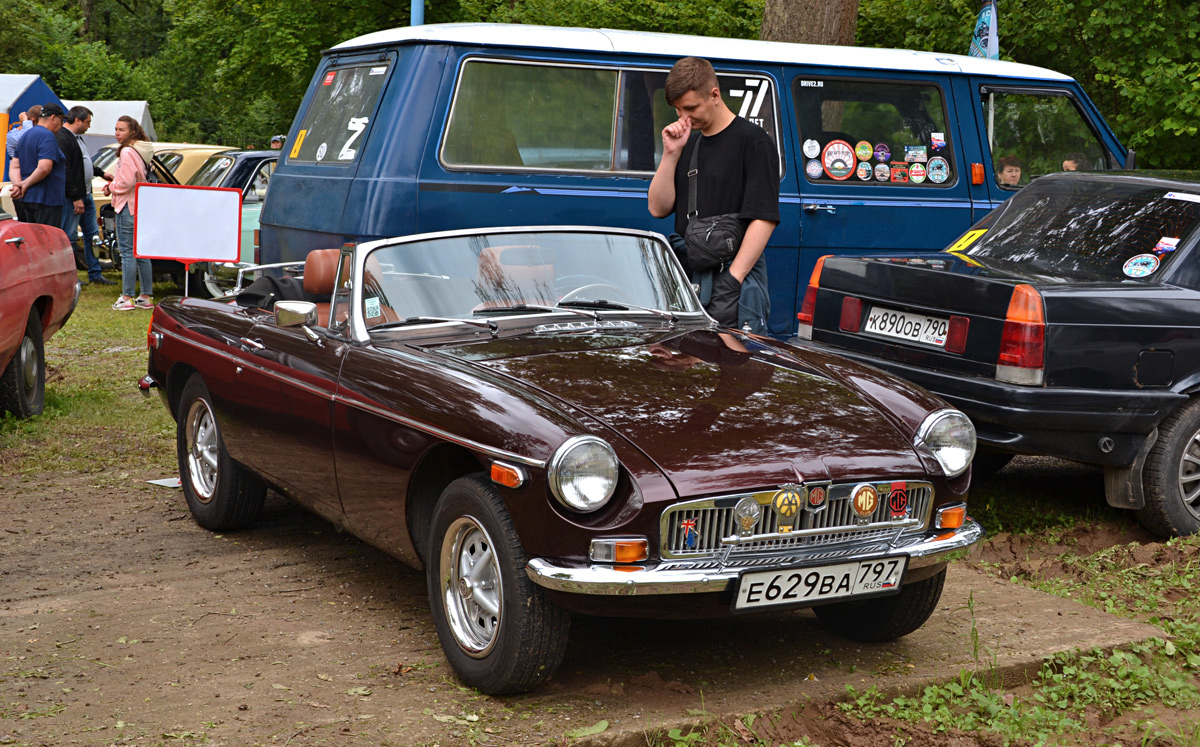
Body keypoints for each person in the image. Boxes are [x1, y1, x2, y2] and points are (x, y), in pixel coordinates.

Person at [647, 57, 778, 333]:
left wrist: (733, 279)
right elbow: (658, 208)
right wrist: (671, 153)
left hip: (734, 279)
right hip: (688, 277)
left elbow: (763, 218)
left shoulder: (754, 141)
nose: (684, 117)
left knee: (736, 369)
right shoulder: (689, 143)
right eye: (678, 110)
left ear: (714, 95)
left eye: (691, 108)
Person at [57, 106, 115, 285]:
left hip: (86, 193)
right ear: (78, 120)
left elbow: (84, 162)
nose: (89, 126)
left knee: (92, 235)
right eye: (88, 122)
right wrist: (75, 197)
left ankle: (95, 273)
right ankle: (70, 276)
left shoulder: (77, 138)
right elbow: (66, 170)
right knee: (70, 236)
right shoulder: (63, 138)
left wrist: (100, 172)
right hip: (74, 197)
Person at [103, 115, 155, 310]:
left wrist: (111, 187)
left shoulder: (127, 152)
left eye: (121, 130)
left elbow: (126, 183)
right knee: (141, 252)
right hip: (140, 205)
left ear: (132, 131)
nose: (117, 133)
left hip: (127, 205)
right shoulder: (141, 149)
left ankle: (127, 297)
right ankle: (146, 296)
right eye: (116, 129)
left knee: (127, 253)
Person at [9, 103, 66, 226]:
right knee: (47, 241)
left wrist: (18, 185)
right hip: (47, 199)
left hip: (28, 198)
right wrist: (25, 184)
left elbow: (14, 165)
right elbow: (44, 168)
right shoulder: (47, 136)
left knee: (34, 240)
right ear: (53, 118)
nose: (61, 126)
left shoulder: (26, 135)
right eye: (61, 120)